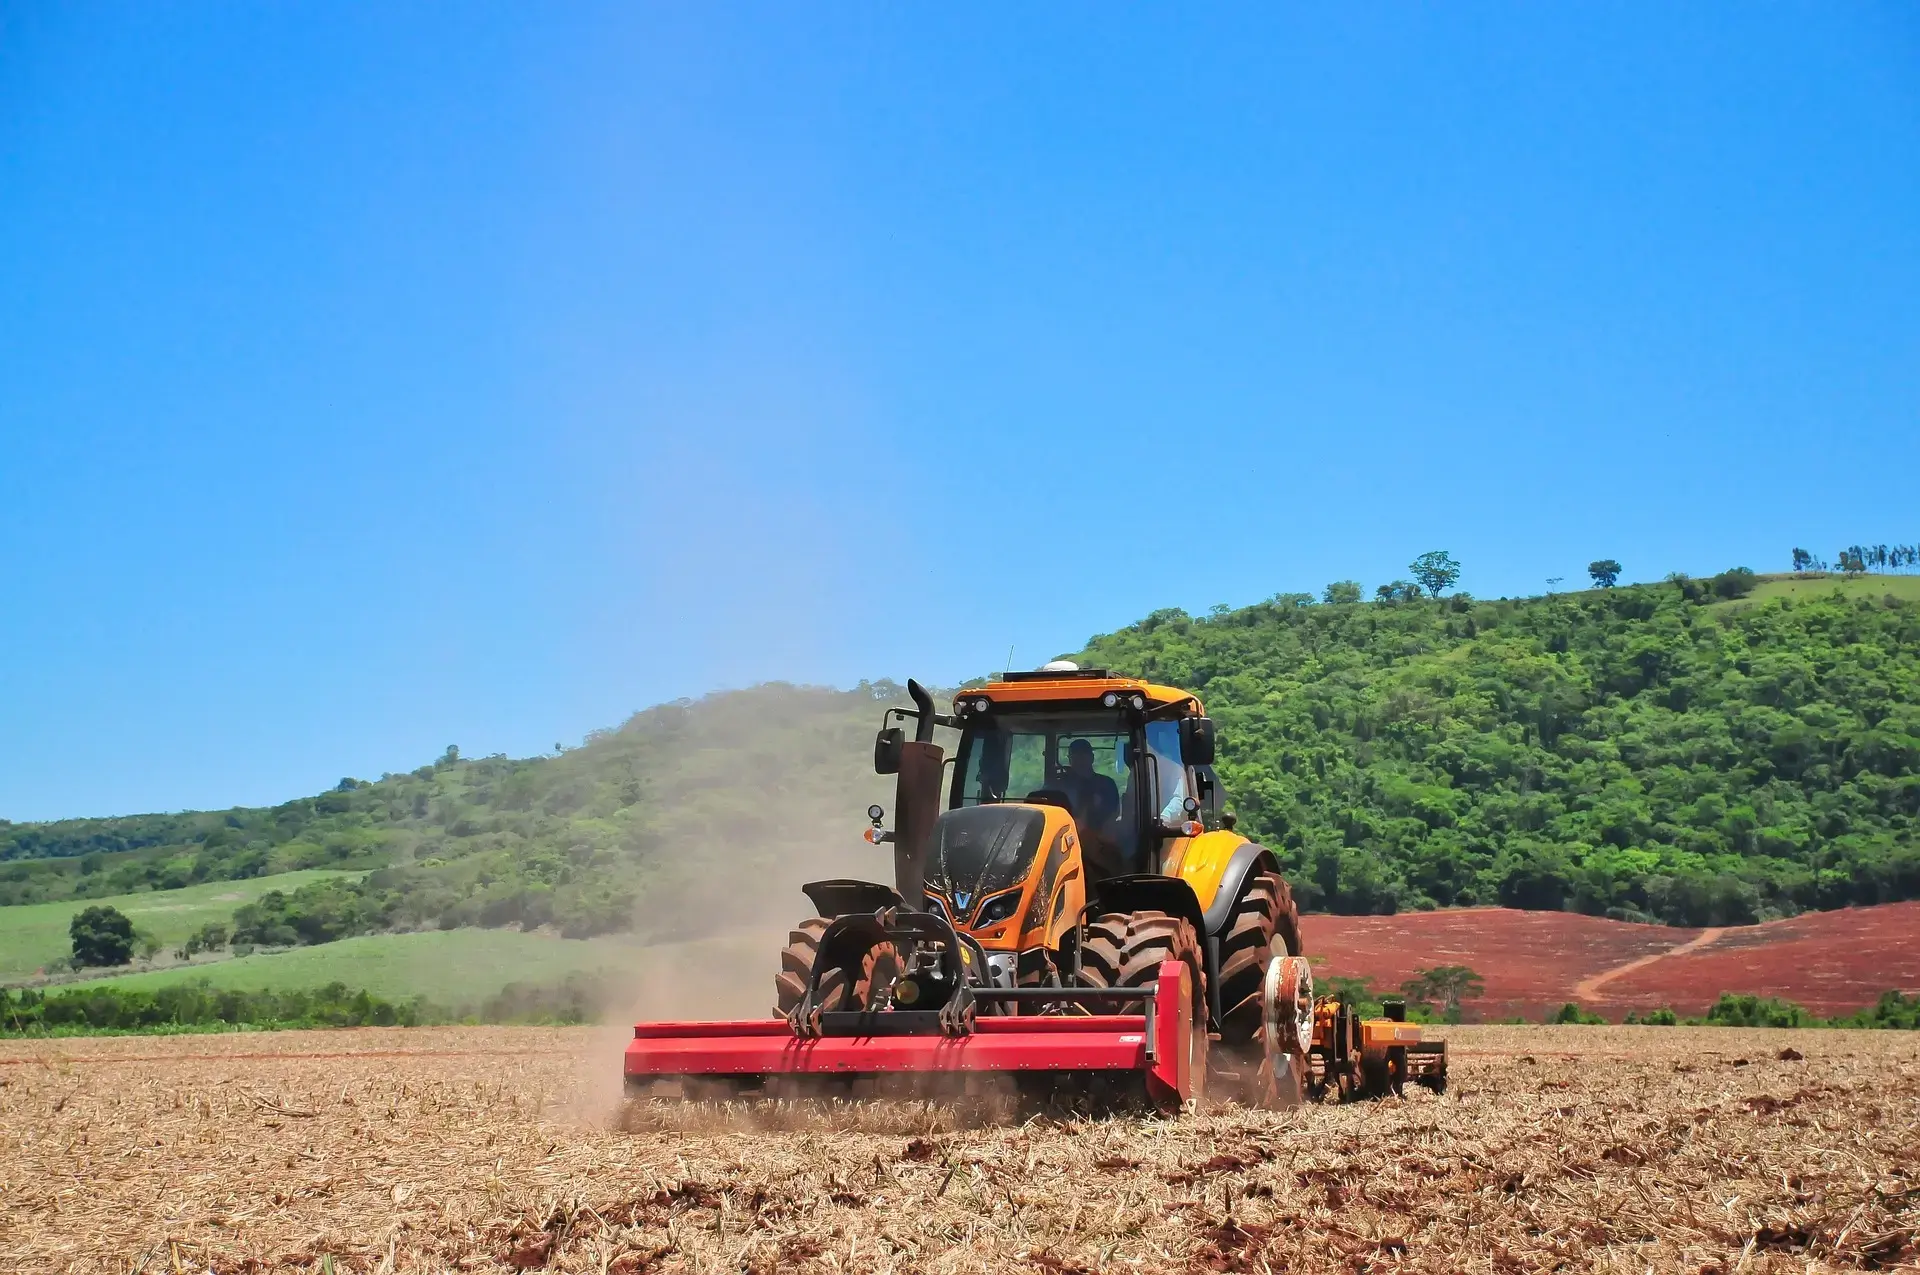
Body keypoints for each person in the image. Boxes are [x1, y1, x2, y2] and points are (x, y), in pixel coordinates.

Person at [1059, 739, 1122, 874]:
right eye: (1075, 756)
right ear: (1070, 759)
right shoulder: (1060, 785)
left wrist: (1092, 837)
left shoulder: (1106, 785)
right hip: (1063, 840)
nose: (1079, 760)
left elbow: (1113, 815)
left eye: (1083, 755)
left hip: (1100, 842)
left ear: (1091, 758)